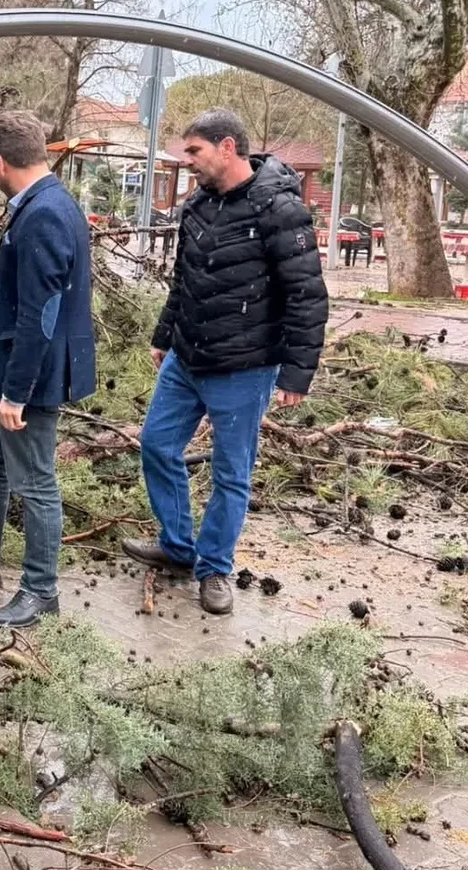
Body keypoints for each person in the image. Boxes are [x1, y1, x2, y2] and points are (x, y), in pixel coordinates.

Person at [123, 109, 328, 615]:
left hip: (245, 366)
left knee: (230, 472)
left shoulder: (280, 210)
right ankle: (177, 548)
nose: (186, 160)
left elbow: (306, 294)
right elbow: (183, 278)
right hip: (186, 359)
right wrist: (165, 334)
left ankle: (214, 569)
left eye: (194, 151)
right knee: (156, 444)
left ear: (228, 147)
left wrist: (298, 370)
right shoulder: (197, 204)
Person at [0, 110, 97, 629]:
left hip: (26, 377)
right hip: (9, 373)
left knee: (34, 482)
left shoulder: (45, 213)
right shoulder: (40, 203)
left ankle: (40, 591)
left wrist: (16, 393)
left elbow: (43, 312)